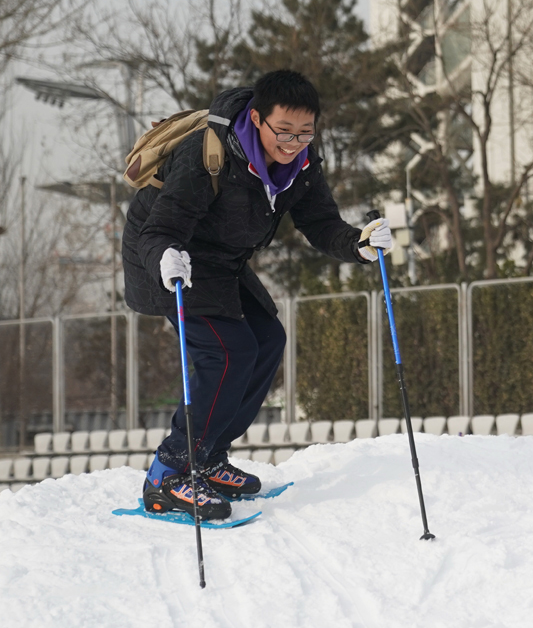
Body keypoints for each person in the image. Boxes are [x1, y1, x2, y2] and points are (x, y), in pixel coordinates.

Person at [122, 70, 392, 519]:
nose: (293, 143)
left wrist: (359, 245)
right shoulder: (206, 154)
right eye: (283, 131)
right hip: (170, 254)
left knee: (267, 340)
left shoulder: (300, 164)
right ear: (257, 119)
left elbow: (321, 223)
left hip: (222, 262)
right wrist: (165, 255)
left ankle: (208, 458)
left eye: (305, 133)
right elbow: (161, 228)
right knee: (228, 352)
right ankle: (167, 474)